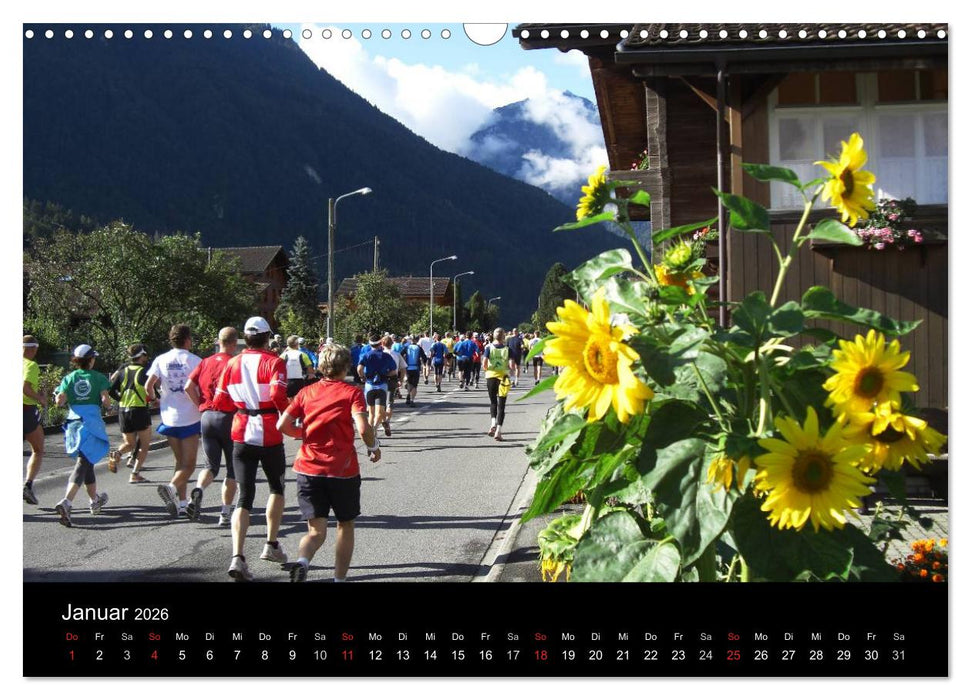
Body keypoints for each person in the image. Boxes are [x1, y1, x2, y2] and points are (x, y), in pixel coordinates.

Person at [277, 344, 381, 582]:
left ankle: (303, 561)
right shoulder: (352, 393)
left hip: (308, 468)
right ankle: (339, 579)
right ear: (346, 367)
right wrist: (373, 447)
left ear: (322, 366)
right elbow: (363, 428)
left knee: (315, 532)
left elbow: (282, 425)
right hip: (342, 470)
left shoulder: (306, 392)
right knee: (345, 524)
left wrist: (303, 435)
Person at [214, 317, 290, 581]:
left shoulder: (232, 363)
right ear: (267, 337)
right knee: (276, 488)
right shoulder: (275, 362)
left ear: (245, 338)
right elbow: (278, 395)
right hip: (269, 432)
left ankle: (238, 556)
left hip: (241, 431)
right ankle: (271, 543)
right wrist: (290, 415)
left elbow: (220, 399)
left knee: (244, 497)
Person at [146, 324, 202, 518]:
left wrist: (155, 399)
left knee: (180, 463)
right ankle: (171, 488)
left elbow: (148, 385)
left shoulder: (161, 359)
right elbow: (202, 387)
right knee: (190, 465)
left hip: (169, 417)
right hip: (190, 416)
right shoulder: (195, 360)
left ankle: (183, 504)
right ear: (187, 340)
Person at [52, 345, 112, 527]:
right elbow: (105, 400)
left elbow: (59, 401)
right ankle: (67, 502)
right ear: (91, 360)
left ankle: (94, 501)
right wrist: (109, 407)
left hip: (73, 424)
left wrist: (59, 398)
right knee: (83, 463)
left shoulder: (69, 378)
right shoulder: (99, 377)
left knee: (87, 462)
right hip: (91, 424)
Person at [184, 327, 239, 525]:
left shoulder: (205, 361)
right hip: (229, 417)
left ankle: (198, 490)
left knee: (211, 466)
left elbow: (188, 386)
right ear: (234, 343)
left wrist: (200, 405)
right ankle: (225, 513)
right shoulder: (235, 363)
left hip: (207, 417)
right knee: (232, 469)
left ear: (218, 341)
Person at [107, 343, 152, 483]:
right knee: (144, 445)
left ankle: (117, 453)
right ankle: (135, 474)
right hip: (139, 410)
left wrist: (121, 399)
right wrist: (155, 399)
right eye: (145, 355)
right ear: (142, 356)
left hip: (123, 411)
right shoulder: (143, 371)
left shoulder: (123, 371)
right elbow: (149, 389)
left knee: (129, 443)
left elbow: (111, 391)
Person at [357, 333, 398, 437]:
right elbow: (394, 371)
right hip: (382, 385)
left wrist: (362, 377)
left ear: (370, 344)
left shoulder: (366, 355)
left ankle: (371, 434)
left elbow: (359, 368)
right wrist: (385, 374)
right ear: (380, 343)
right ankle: (374, 429)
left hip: (369, 385)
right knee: (380, 412)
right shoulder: (386, 356)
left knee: (371, 413)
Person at [23, 335, 47, 505]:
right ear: (33, 348)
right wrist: (40, 398)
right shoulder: (31, 365)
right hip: (25, 410)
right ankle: (28, 485)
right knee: (38, 449)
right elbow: (25, 388)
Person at [482, 328, 512, 442]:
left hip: (491, 376)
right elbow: (512, 365)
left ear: (494, 336)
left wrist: (487, 369)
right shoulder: (507, 349)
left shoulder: (489, 348)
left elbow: (484, 363)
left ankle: (493, 423)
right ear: (503, 337)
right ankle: (498, 431)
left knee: (493, 402)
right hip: (503, 378)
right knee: (502, 405)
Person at [382, 336, 406, 432]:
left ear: (382, 344)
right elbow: (403, 368)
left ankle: (383, 419)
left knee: (381, 401)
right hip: (393, 378)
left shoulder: (380, 354)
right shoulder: (396, 354)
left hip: (381, 379)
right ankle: (387, 420)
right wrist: (401, 380)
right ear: (392, 344)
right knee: (390, 401)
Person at [403, 337, 426, 407]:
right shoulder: (419, 348)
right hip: (416, 368)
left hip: (408, 368)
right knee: (414, 385)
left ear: (411, 341)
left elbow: (401, 354)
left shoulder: (407, 347)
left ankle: (408, 395)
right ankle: (412, 400)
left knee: (409, 383)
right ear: (416, 341)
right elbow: (424, 357)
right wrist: (424, 363)